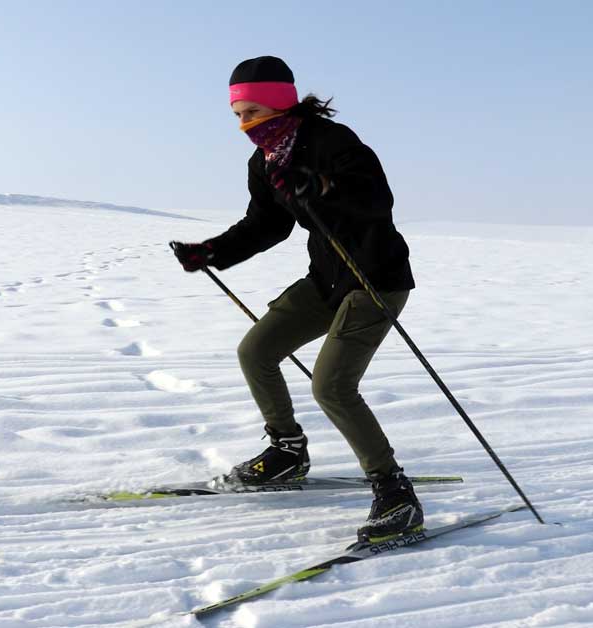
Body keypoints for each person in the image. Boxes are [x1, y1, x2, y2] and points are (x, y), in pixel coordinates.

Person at [171, 56, 421, 542]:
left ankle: (395, 494)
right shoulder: (264, 161)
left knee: (331, 387)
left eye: (251, 111)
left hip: (374, 279)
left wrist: (321, 188)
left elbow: (375, 201)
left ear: (281, 102)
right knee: (257, 351)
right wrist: (212, 252)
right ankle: (287, 453)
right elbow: (266, 225)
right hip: (326, 280)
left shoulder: (333, 142)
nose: (243, 124)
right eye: (238, 115)